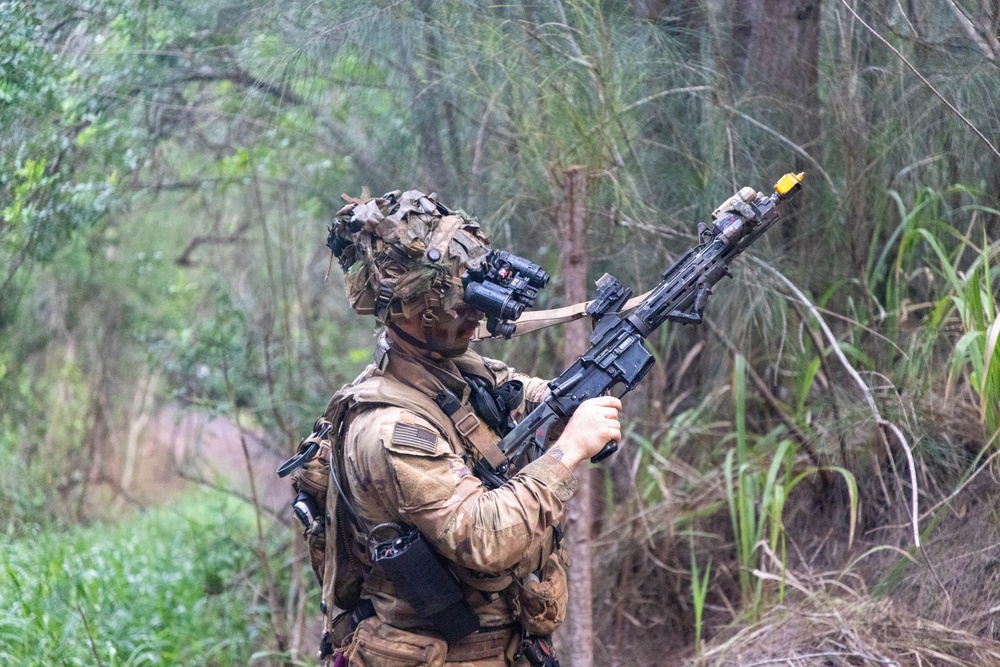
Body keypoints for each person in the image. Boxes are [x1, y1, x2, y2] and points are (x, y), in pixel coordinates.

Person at [315, 189, 621, 666]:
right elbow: (484, 536)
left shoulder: (458, 369)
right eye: (461, 300)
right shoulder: (391, 428)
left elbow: (532, 396)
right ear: (414, 310)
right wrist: (570, 451)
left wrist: (584, 390)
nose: (479, 312)